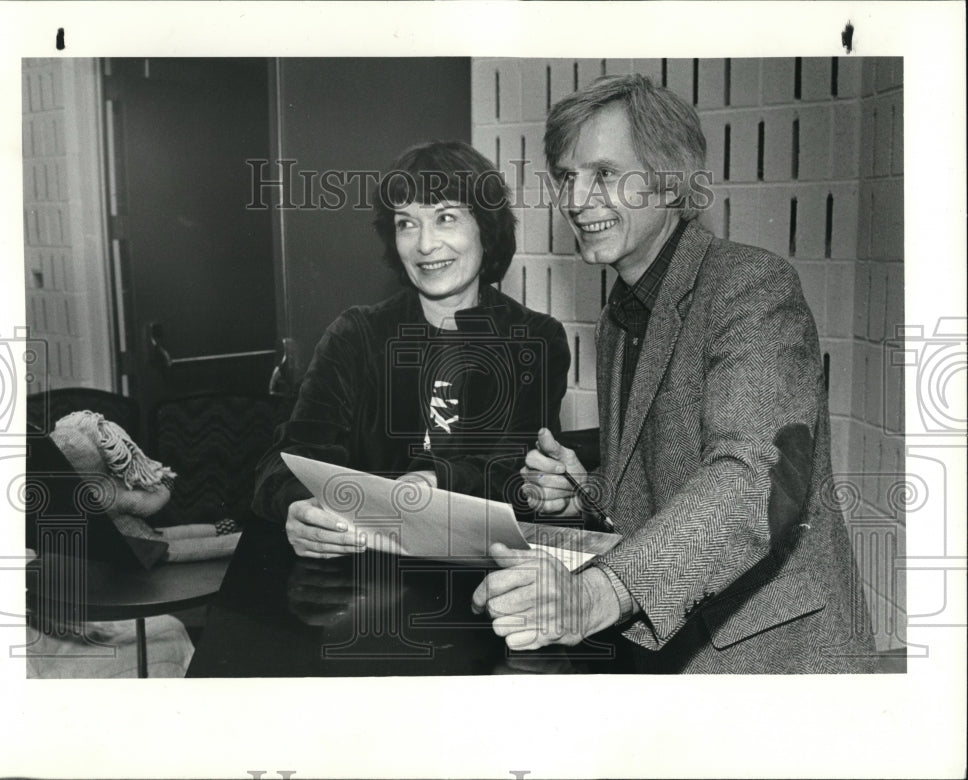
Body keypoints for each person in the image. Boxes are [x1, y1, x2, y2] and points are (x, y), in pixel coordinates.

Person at [471, 75, 876, 673]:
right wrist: (588, 491)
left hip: (772, 661)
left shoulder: (751, 286)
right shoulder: (620, 315)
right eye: (566, 177)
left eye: (605, 174)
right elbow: (670, 480)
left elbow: (754, 480)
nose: (578, 200)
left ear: (669, 179)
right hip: (676, 645)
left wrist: (592, 597)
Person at [253, 140, 571, 558]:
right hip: (363, 580)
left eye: (445, 218)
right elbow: (284, 460)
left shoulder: (535, 339)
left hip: (487, 578)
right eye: (406, 223)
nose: (424, 245)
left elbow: (515, 473)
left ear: (486, 229)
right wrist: (295, 505)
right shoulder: (355, 335)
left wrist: (432, 482)